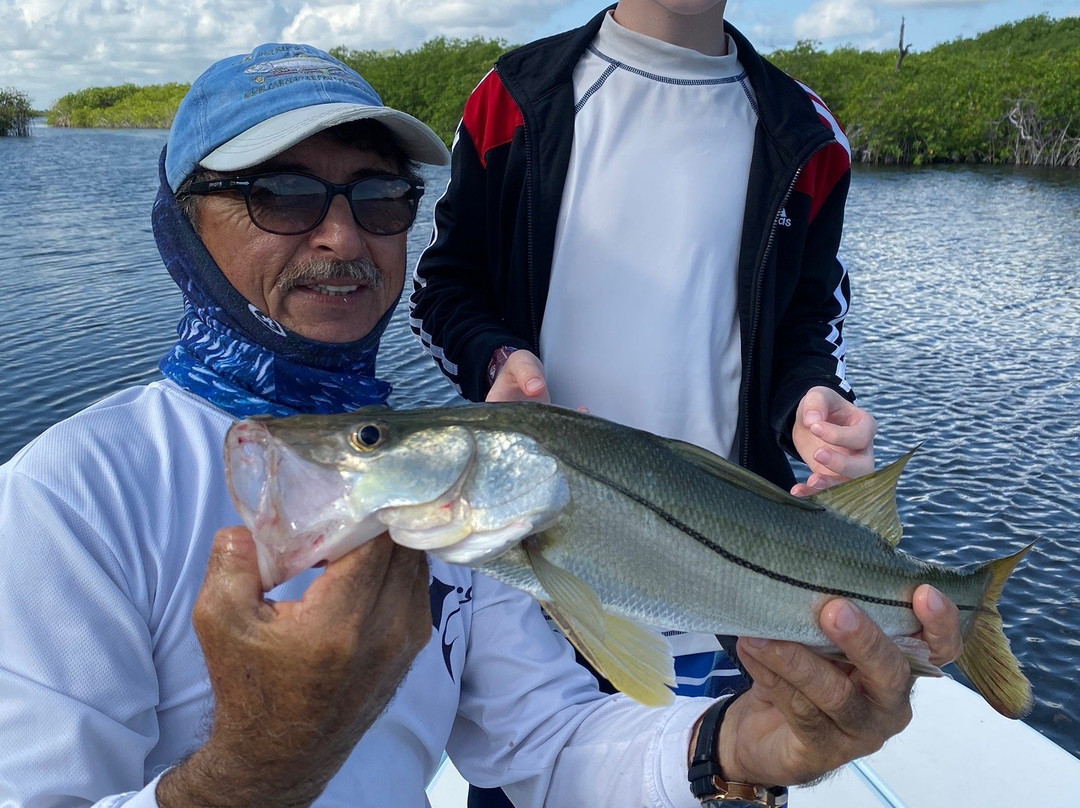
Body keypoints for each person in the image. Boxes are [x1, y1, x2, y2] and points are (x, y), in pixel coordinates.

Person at [0, 42, 961, 808]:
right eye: (280, 194)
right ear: (183, 222)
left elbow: (548, 746)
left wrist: (745, 745)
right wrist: (254, 767)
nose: (342, 236)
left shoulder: (452, 488)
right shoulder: (70, 495)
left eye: (378, 197)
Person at [409, 3, 879, 803]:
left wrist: (808, 398)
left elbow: (809, 316)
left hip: (735, 600)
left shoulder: (805, 131)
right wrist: (499, 356)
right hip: (532, 599)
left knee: (720, 772)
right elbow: (445, 286)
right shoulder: (515, 97)